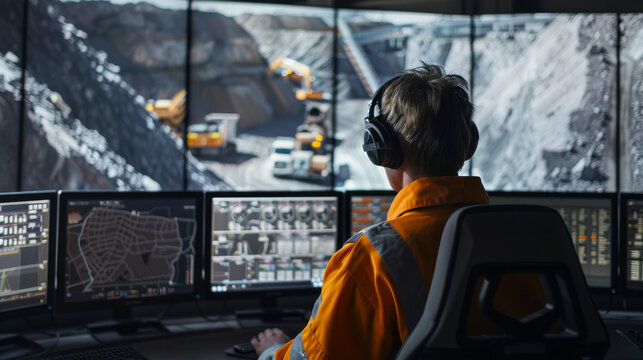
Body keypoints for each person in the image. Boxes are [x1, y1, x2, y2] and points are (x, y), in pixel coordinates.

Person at [250, 64, 544, 359]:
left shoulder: (372, 258)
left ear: (382, 148)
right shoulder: (523, 241)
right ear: (468, 143)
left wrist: (271, 351)